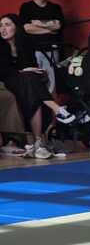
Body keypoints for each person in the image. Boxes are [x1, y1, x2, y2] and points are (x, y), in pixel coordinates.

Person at [0, 14, 74, 159]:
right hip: (6, 80)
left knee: (32, 82)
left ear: (16, 27)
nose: (3, 29)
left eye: (7, 25)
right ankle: (57, 110)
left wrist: (36, 71)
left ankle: (38, 143)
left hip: (25, 81)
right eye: (1, 26)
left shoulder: (25, 45)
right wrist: (22, 71)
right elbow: (3, 71)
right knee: (30, 81)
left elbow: (31, 66)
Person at [19, 0, 65, 92]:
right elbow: (27, 28)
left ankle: (51, 105)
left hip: (51, 51)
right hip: (32, 52)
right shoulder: (26, 7)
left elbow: (58, 26)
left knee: (51, 85)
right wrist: (50, 28)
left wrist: (38, 23)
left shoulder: (55, 8)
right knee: (34, 85)